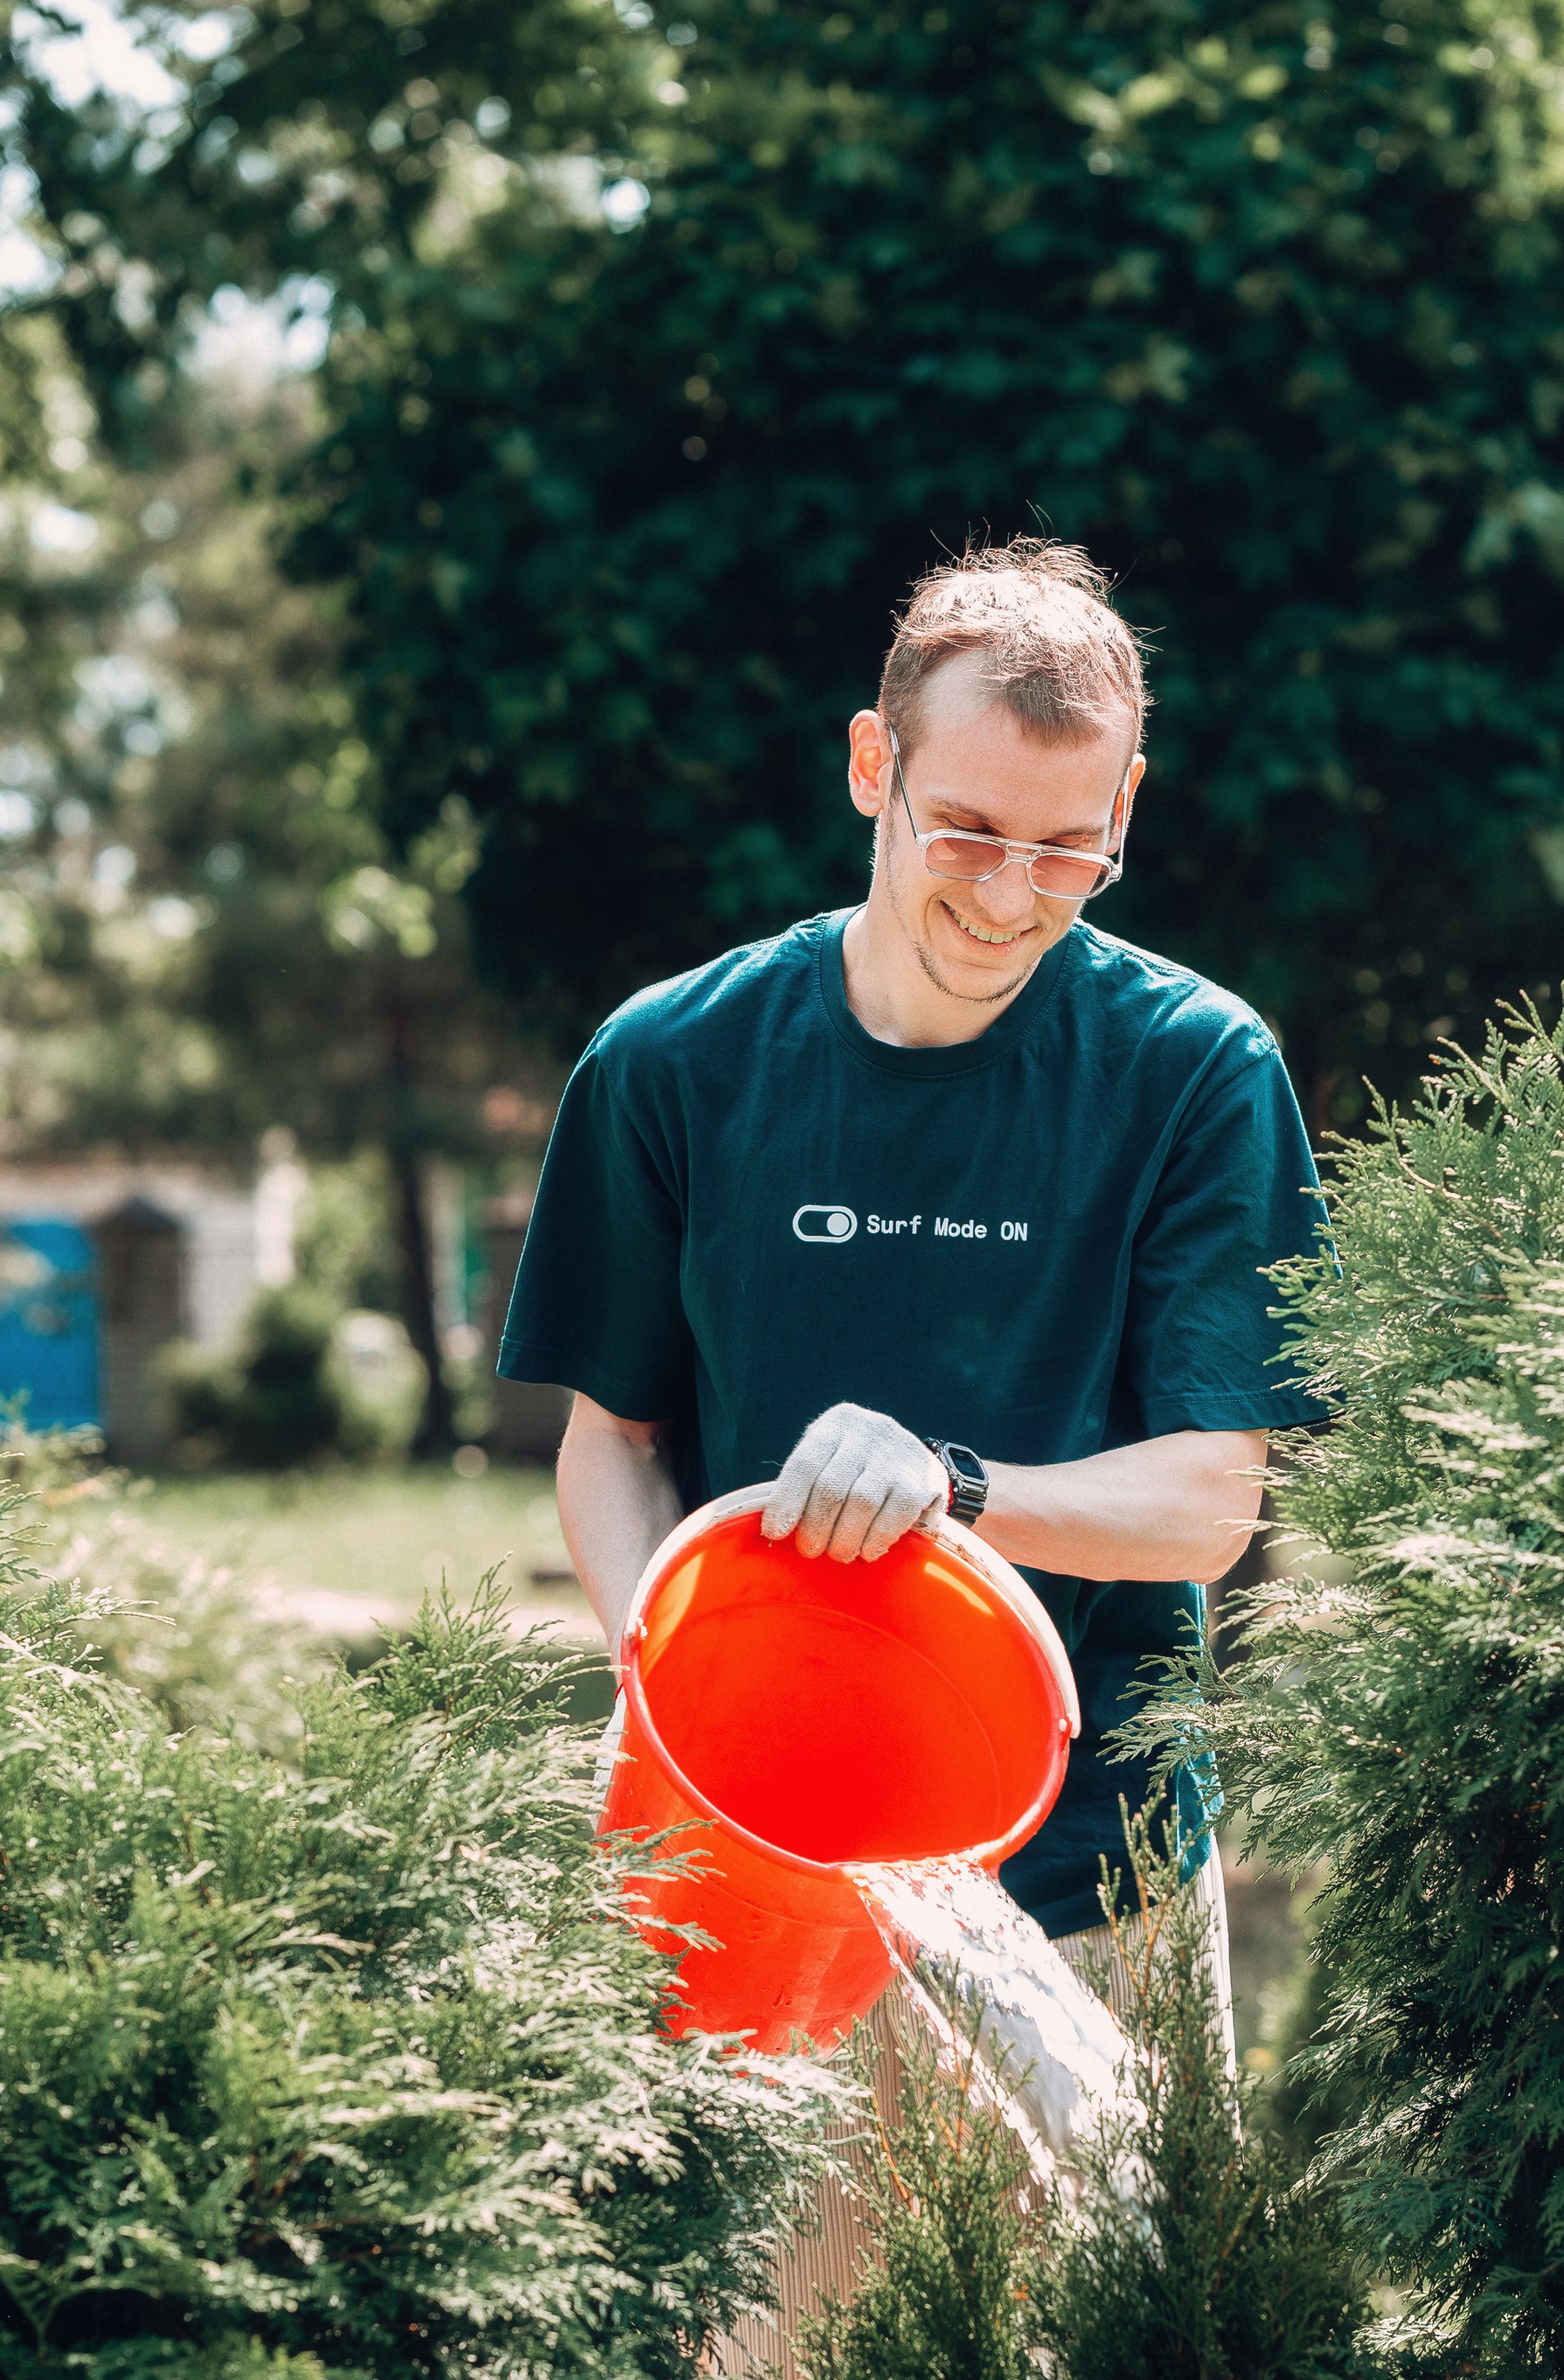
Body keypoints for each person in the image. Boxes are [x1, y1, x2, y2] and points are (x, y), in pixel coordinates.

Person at [498, 538, 1327, 2137]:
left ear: (1125, 815)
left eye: (1066, 853)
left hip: (1110, 1874)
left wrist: (950, 1483)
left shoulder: (1199, 1070)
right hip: (762, 1870)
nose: (1009, 895)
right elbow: (616, 1443)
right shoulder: (671, 1061)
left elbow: (1214, 1504)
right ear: (872, 764)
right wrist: (669, 1687)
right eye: (966, 831)